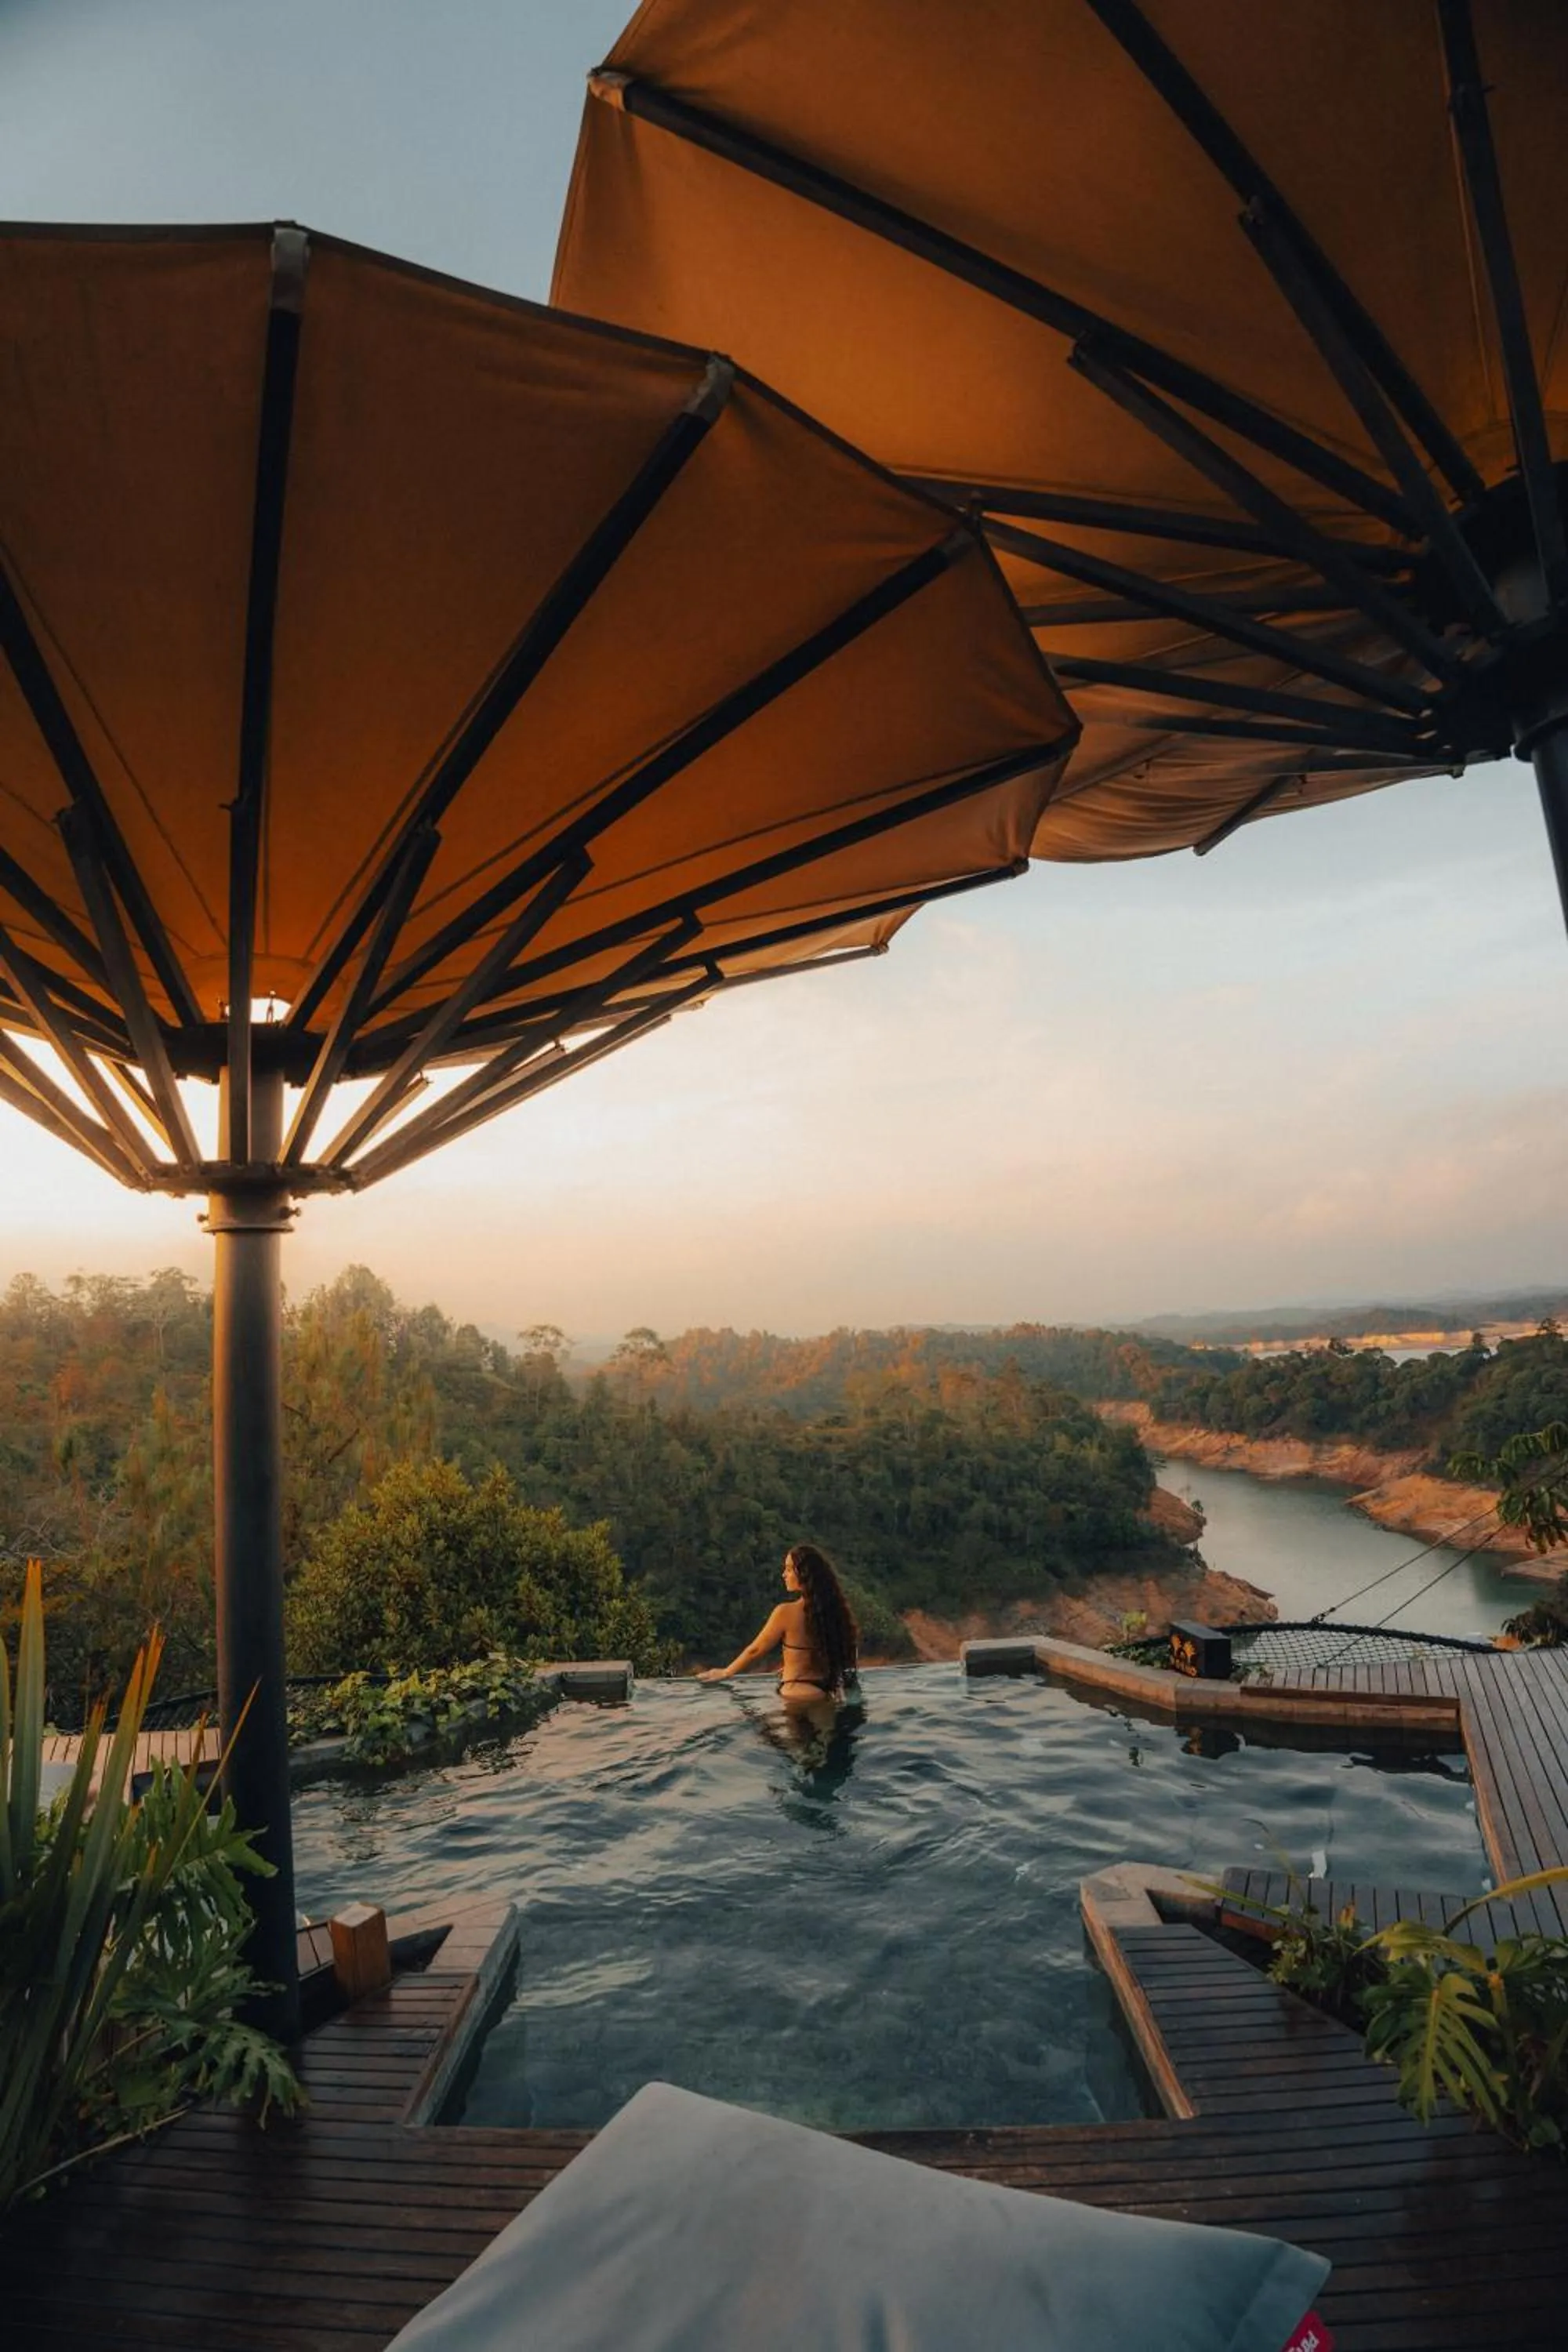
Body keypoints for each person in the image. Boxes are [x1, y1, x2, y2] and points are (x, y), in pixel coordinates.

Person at [696, 1543, 860, 1705]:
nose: (784, 1575)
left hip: (797, 1690)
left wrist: (726, 1672)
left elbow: (755, 1650)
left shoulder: (785, 1613)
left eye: (789, 1569)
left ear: (803, 1574)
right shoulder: (835, 1613)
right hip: (827, 1693)